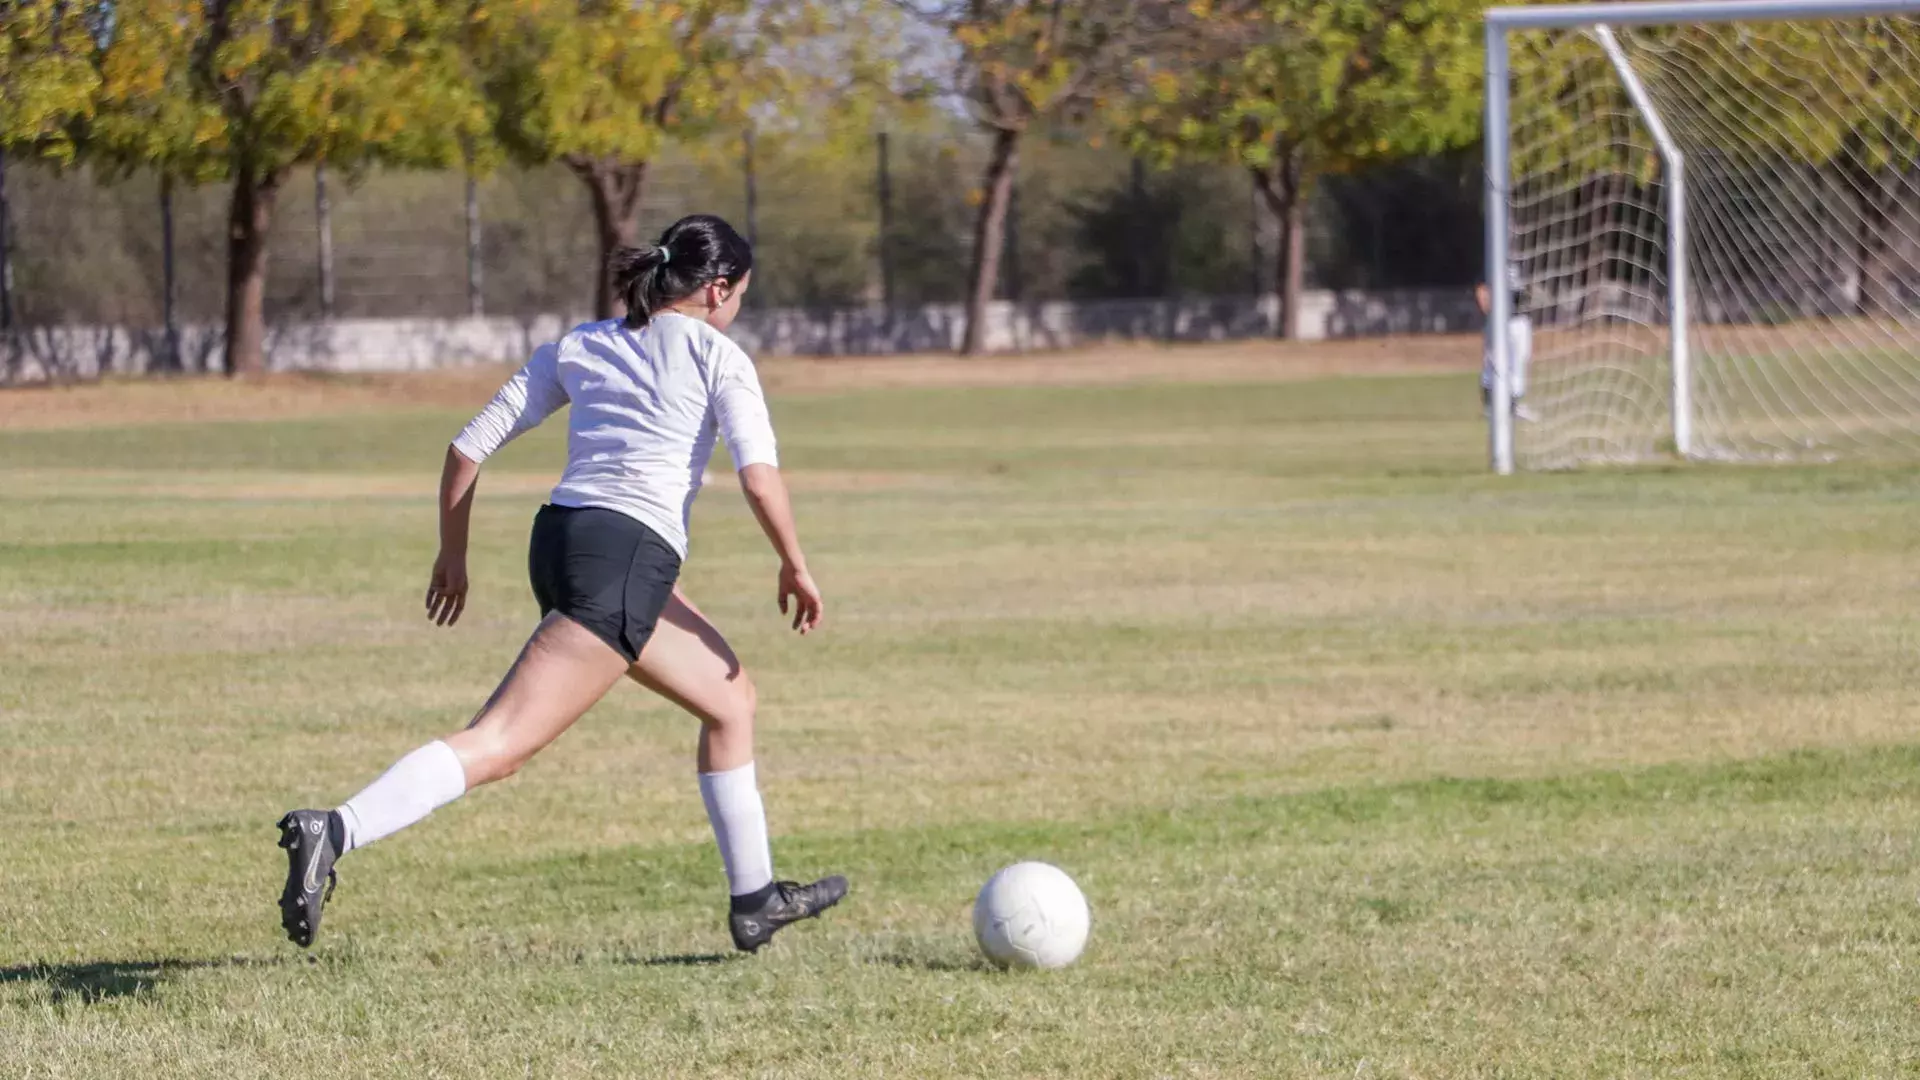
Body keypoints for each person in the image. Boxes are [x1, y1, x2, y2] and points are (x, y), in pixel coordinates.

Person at [275, 214, 846, 954]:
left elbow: (465, 449)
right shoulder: (719, 357)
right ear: (716, 290)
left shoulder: (584, 343)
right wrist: (795, 562)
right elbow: (758, 479)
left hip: (563, 541)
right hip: (624, 560)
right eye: (739, 296)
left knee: (730, 700)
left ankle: (757, 898)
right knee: (500, 744)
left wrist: (455, 557)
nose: (735, 310)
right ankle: (336, 829)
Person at [1477, 265, 1538, 422]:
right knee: (1494, 362)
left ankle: (1513, 405)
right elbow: (1482, 288)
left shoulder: (1522, 261)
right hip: (1500, 320)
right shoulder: (1494, 255)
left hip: (1519, 321)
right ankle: (1491, 406)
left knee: (1520, 361)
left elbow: (1527, 289)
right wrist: (1488, 311)